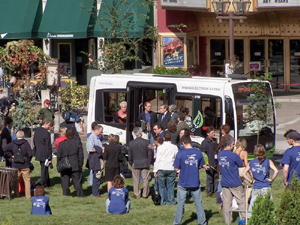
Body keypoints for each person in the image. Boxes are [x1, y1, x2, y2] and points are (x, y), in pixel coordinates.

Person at [173, 135, 207, 225]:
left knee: (180, 204)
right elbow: (200, 166)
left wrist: (179, 171)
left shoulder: (180, 153)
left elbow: (176, 167)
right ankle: (202, 222)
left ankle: (177, 222)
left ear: (183, 143)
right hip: (195, 182)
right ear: (191, 142)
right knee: (198, 204)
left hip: (183, 182)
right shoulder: (198, 152)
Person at [242, 144, 278, 219]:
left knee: (253, 204)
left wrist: (251, 181)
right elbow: (276, 171)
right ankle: (271, 219)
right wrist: (272, 179)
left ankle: (249, 219)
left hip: (256, 186)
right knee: (268, 204)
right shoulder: (268, 161)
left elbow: (244, 174)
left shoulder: (251, 162)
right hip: (266, 186)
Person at [217, 135, 246, 225]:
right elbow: (241, 164)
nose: (234, 146)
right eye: (233, 144)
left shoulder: (220, 155)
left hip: (225, 182)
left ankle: (227, 221)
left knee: (226, 203)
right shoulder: (233, 155)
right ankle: (244, 219)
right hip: (235, 182)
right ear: (230, 145)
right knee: (241, 201)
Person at [4, 130, 33, 199]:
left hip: (15, 164)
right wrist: (27, 160)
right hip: (25, 164)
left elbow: (5, 148)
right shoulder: (26, 143)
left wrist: (11, 156)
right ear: (23, 136)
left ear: (17, 136)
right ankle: (28, 196)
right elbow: (30, 154)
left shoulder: (13, 143)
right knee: (27, 180)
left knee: (16, 179)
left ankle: (17, 194)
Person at [57, 128, 84, 197]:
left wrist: (59, 164)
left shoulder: (61, 144)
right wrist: (80, 164)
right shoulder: (77, 142)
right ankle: (79, 194)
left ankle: (66, 194)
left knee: (65, 181)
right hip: (75, 163)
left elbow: (59, 156)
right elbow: (81, 155)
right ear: (73, 134)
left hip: (64, 163)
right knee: (77, 181)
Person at [153, 132, 178, 205]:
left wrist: (155, 170)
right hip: (171, 167)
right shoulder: (174, 147)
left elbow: (158, 159)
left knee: (161, 186)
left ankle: (162, 201)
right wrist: (178, 169)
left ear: (164, 138)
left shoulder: (160, 147)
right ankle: (171, 201)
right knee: (170, 186)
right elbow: (176, 158)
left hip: (162, 167)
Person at [128, 127, 153, 198]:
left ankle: (137, 193)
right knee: (145, 179)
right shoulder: (146, 142)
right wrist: (149, 161)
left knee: (136, 179)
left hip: (135, 162)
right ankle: (145, 194)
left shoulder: (131, 143)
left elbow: (130, 155)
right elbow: (149, 153)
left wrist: (131, 163)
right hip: (145, 162)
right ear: (141, 133)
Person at [33, 118, 52, 189]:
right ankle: (43, 184)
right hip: (45, 153)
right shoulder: (46, 133)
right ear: (46, 124)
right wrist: (50, 156)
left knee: (45, 168)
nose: (49, 126)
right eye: (49, 125)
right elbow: (48, 145)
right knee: (44, 169)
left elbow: (34, 141)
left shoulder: (37, 130)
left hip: (39, 151)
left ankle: (47, 182)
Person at [201, 126, 218, 196]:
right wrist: (205, 163)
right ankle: (209, 191)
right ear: (208, 134)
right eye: (212, 133)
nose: (214, 134)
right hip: (209, 163)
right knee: (210, 178)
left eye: (214, 132)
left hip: (215, 162)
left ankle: (216, 191)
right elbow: (203, 154)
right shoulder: (205, 142)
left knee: (216, 177)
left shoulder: (215, 141)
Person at [87, 124, 103, 197]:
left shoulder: (96, 137)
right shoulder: (92, 137)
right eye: (100, 131)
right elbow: (90, 149)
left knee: (98, 175)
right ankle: (95, 193)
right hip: (94, 158)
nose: (101, 133)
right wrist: (99, 149)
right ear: (96, 130)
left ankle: (96, 191)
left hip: (98, 157)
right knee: (96, 175)